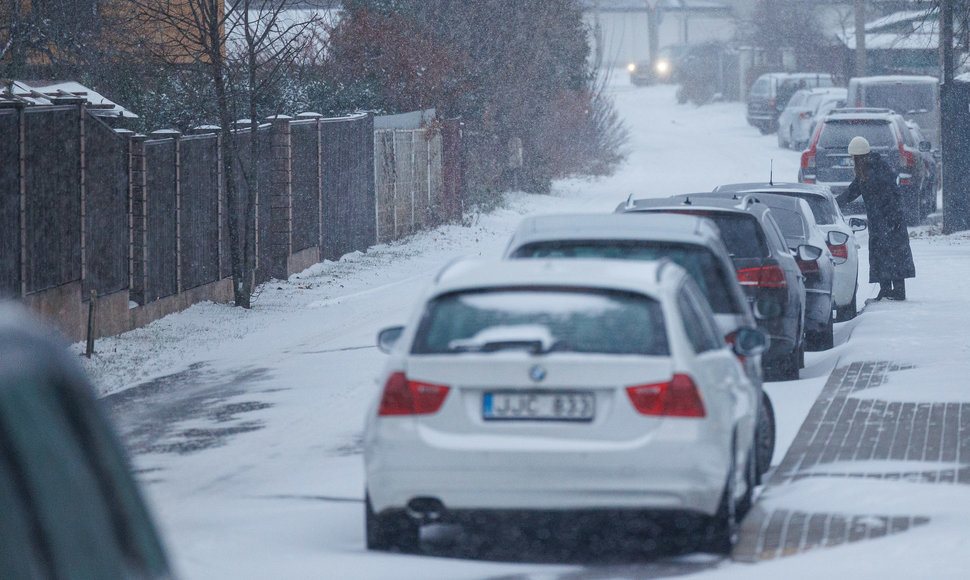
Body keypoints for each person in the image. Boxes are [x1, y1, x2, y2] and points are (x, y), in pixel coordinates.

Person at [836, 136, 916, 300]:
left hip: (890, 222)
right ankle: (886, 290)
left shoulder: (877, 171)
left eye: (853, 157)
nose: (852, 161)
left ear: (858, 157)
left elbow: (891, 198)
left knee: (892, 254)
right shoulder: (868, 171)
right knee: (886, 255)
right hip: (882, 222)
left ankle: (897, 291)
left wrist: (889, 220)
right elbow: (851, 192)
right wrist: (833, 203)